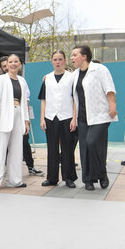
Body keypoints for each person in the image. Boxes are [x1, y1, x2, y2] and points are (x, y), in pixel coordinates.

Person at [71, 45, 117, 191]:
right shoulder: (75, 75)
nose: (71, 58)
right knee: (84, 147)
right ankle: (88, 180)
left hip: (101, 115)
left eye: (74, 55)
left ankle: (102, 174)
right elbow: (73, 95)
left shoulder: (100, 70)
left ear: (84, 56)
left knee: (93, 144)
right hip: (83, 117)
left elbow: (109, 88)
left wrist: (112, 106)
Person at [0, 54, 30, 191]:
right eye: (10, 62)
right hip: (3, 115)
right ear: (7, 64)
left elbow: (24, 102)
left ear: (19, 64)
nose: (13, 64)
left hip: (18, 114)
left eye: (15, 61)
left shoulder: (22, 81)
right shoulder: (0, 79)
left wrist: (26, 120)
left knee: (17, 149)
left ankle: (15, 180)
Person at [39, 50, 77, 187]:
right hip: (50, 117)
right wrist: (42, 118)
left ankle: (69, 178)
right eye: (55, 59)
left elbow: (75, 99)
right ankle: (52, 178)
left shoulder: (71, 77)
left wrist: (74, 118)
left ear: (65, 61)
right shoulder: (47, 78)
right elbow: (43, 99)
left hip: (67, 117)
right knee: (52, 148)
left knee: (67, 148)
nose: (58, 62)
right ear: (51, 61)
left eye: (60, 59)